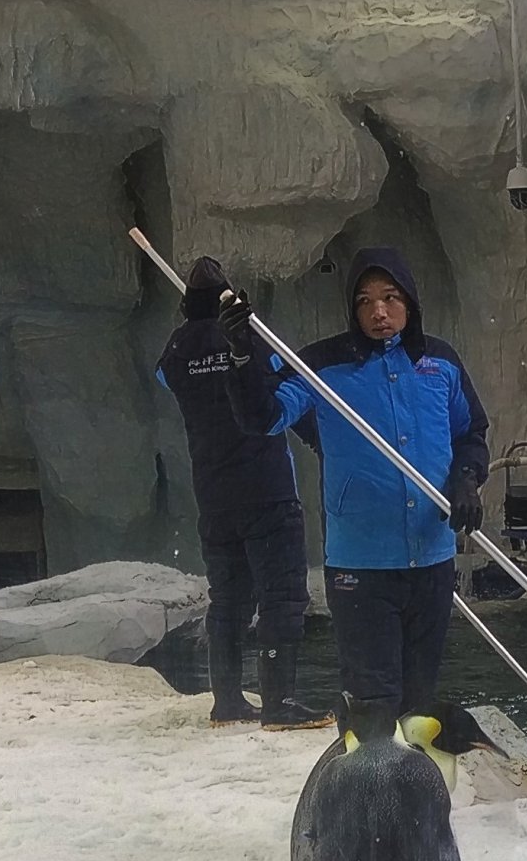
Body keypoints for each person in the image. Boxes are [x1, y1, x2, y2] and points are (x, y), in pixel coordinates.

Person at [228, 247, 489, 719]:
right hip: (360, 566)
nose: (378, 312)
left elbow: (470, 433)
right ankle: (368, 769)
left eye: (390, 298)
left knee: (418, 704)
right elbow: (261, 417)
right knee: (371, 704)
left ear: (409, 302)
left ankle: (412, 770)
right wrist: (242, 356)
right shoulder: (321, 366)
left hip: (432, 559)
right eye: (365, 301)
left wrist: (466, 479)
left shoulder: (441, 363)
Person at [155, 259, 325, 728]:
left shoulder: (176, 351)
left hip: (214, 496)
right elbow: (283, 391)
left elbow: (165, 376)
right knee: (282, 596)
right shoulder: (253, 342)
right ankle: (279, 702)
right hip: (267, 488)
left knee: (228, 600)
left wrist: (195, 332)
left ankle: (227, 701)